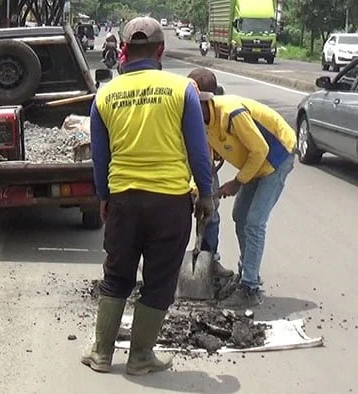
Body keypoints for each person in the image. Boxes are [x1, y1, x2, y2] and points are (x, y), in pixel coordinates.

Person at [81, 17, 214, 376]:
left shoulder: (105, 94)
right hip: (170, 203)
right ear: (160, 50)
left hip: (124, 199)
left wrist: (103, 196)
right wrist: (206, 195)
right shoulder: (181, 89)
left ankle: (101, 354)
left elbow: (100, 156)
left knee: (116, 275)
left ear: (124, 49)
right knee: (158, 280)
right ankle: (140, 357)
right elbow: (198, 151)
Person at [187, 68, 296, 309]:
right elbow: (206, 160)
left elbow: (260, 150)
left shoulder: (231, 113)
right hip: (255, 163)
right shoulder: (202, 122)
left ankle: (249, 287)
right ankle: (247, 274)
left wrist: (237, 182)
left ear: (207, 100)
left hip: (277, 157)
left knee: (254, 222)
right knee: (240, 216)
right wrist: (198, 189)